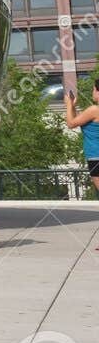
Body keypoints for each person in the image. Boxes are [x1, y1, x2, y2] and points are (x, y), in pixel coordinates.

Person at [62, 82, 99, 238]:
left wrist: (68, 104)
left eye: (94, 89)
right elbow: (79, 120)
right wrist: (73, 107)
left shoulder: (94, 109)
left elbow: (71, 123)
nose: (92, 92)